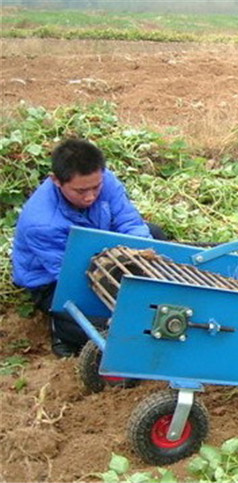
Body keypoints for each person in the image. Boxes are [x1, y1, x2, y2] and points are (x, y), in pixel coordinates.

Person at [12, 138, 165, 357]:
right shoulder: (42, 223)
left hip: (99, 247)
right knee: (111, 325)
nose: (90, 196)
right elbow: (71, 277)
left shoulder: (104, 179)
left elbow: (129, 222)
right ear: (56, 180)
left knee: (154, 235)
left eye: (96, 188)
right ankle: (60, 329)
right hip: (55, 280)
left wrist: (142, 254)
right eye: (80, 191)